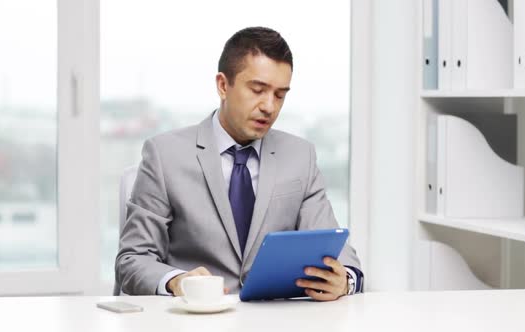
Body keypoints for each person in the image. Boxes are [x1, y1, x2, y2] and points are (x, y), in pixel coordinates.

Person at [116, 26, 363, 301]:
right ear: (223, 85)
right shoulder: (165, 155)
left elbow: (340, 253)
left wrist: (345, 281)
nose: (269, 106)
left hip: (278, 319)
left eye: (280, 95)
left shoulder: (300, 157)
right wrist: (176, 281)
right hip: (196, 319)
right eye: (258, 90)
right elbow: (133, 259)